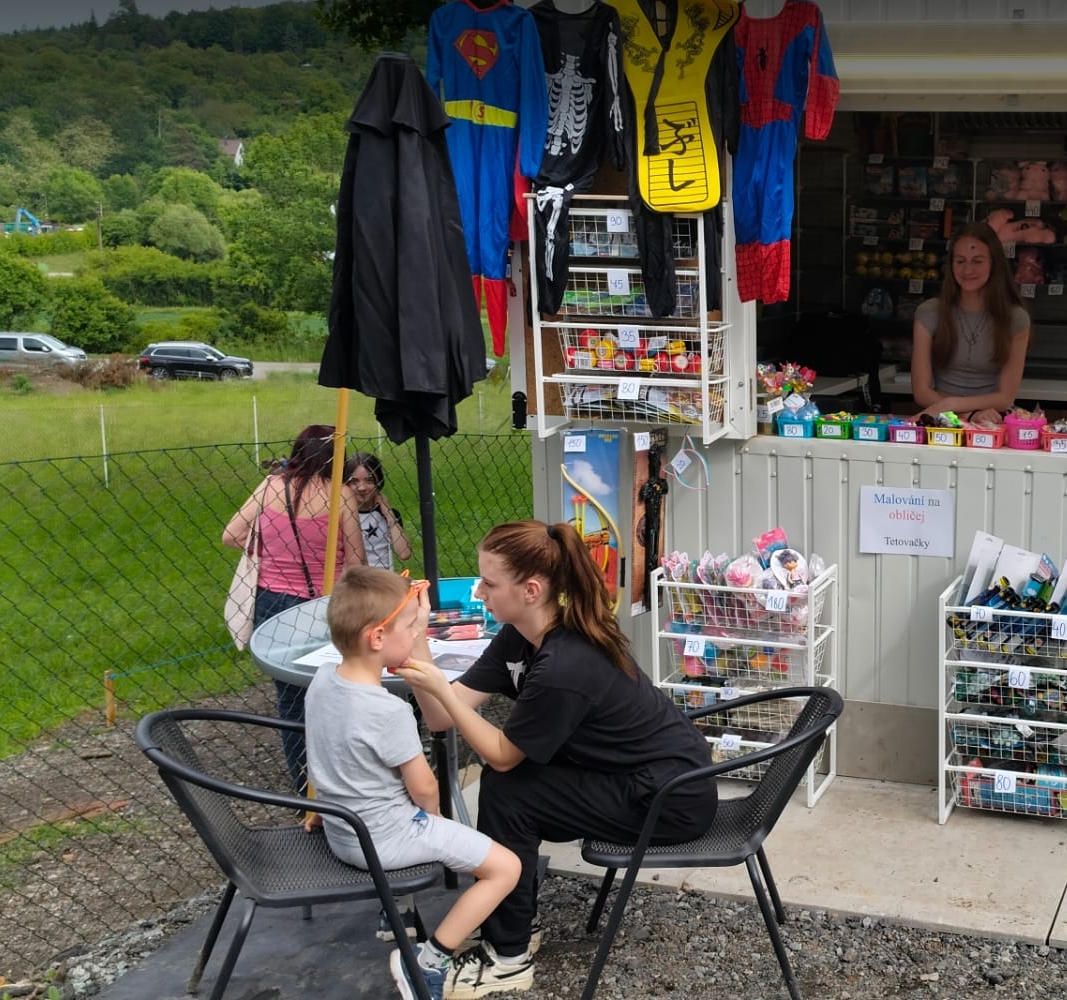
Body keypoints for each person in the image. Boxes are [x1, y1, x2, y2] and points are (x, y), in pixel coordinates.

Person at [397, 520, 717, 995]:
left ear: (530, 590)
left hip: (669, 797)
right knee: (508, 788)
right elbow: (442, 717)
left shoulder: (565, 664)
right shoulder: (520, 637)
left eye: (489, 583)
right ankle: (512, 924)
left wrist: (442, 688)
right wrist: (416, 636)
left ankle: (508, 957)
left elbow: (502, 756)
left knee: (508, 790)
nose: (479, 592)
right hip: (629, 776)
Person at [305, 567, 522, 1000]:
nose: (417, 634)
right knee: (506, 868)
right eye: (411, 628)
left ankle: (397, 916)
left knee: (409, 810)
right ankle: (427, 961)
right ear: (377, 638)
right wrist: (437, 819)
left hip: (342, 832)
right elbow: (423, 787)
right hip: (384, 841)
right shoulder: (389, 711)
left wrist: (320, 808)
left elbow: (326, 754)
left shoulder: (322, 681)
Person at [222, 424, 366, 794]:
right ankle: (340, 781)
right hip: (325, 604)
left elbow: (231, 535)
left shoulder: (270, 486)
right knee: (336, 691)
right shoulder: (341, 495)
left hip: (273, 603)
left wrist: (271, 550)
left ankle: (304, 786)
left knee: (290, 699)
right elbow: (356, 560)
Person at [910, 221, 1031, 425]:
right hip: (940, 421)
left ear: (994, 264)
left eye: (977, 261)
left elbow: (1005, 397)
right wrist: (968, 414)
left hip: (990, 422)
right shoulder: (929, 313)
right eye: (960, 261)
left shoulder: (1016, 319)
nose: (967, 270)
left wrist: (950, 404)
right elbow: (921, 392)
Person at [346, 452, 413, 570]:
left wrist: (388, 513)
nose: (362, 487)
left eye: (369, 480)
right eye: (354, 481)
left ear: (379, 482)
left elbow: (404, 553)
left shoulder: (387, 514)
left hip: (383, 577)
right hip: (355, 577)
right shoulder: (342, 515)